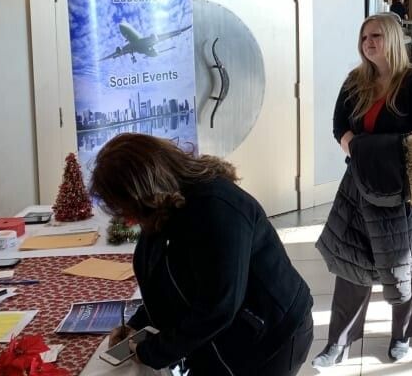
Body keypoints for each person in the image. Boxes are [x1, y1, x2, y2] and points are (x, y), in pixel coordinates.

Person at [89, 134, 314, 376]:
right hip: (226, 336)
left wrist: (153, 351)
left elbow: (218, 306)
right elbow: (164, 278)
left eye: (122, 206)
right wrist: (138, 324)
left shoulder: (217, 207)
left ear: (140, 191)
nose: (123, 217)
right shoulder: (163, 207)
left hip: (270, 338)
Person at [314, 13, 412, 366]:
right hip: (360, 183)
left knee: (404, 262)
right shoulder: (355, 81)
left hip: (405, 186)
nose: (368, 42)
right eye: (364, 36)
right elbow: (340, 127)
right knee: (351, 259)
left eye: (376, 36)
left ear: (393, 39)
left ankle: (402, 335)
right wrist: (359, 150)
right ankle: (339, 341)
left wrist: (368, 149)